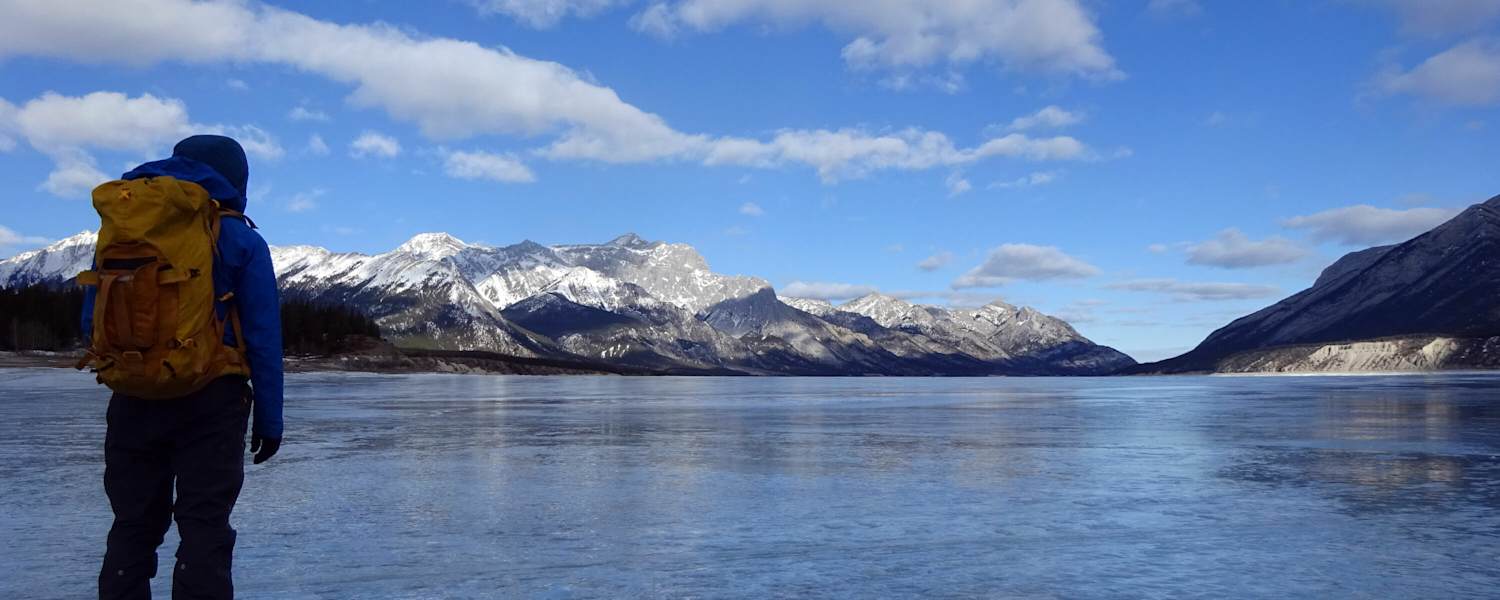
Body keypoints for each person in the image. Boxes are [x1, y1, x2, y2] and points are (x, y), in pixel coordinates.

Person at [83, 135, 284, 600]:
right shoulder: (239, 236)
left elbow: (89, 318)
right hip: (212, 401)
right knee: (204, 528)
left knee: (132, 525)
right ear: (237, 180)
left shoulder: (124, 231)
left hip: (133, 396)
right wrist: (270, 420)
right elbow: (264, 337)